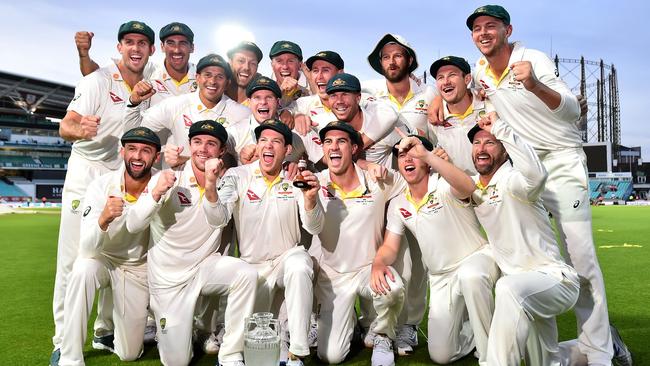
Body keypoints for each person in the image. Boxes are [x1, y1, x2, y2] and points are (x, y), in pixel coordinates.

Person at [466, 5, 631, 364]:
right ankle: (547, 350)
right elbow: (478, 101)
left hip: (560, 162)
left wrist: (534, 84)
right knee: (531, 262)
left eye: (490, 26)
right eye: (476, 28)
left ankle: (600, 349)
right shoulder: (480, 70)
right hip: (523, 167)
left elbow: (572, 110)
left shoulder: (532, 59)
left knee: (581, 258)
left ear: (508, 30)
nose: (483, 33)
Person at [52, 20, 155, 363]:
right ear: (120, 47)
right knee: (75, 259)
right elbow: (67, 124)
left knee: (119, 251)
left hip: (124, 175)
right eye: (129, 42)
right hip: (86, 175)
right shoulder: (97, 81)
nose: (136, 48)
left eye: (142, 43)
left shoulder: (148, 79)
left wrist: (84, 55)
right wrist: (79, 130)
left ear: (150, 50)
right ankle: (62, 342)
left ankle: (104, 329)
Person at [125, 120, 258, 366]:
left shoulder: (226, 182)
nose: (203, 149)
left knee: (246, 274)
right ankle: (181, 327)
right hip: (168, 281)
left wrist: (210, 184)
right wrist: (155, 195)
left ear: (221, 152)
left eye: (211, 144)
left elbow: (218, 219)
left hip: (204, 268)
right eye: (197, 142)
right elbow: (133, 224)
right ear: (189, 145)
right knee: (177, 361)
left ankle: (230, 355)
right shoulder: (167, 179)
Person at [204, 119, 324, 366]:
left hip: (285, 260)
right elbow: (219, 219)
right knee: (258, 354)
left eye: (276, 141)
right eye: (263, 140)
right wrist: (210, 186)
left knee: (300, 263)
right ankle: (233, 354)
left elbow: (314, 227)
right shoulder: (237, 176)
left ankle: (297, 353)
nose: (268, 146)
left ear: (287, 150)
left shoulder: (297, 179)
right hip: (252, 270)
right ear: (257, 146)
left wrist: (311, 200)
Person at [372, 133, 498, 365]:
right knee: (441, 355)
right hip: (441, 278)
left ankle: (491, 354)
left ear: (428, 161)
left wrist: (429, 155)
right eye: (402, 155)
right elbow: (390, 245)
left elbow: (468, 186)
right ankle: (475, 329)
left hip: (477, 260)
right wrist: (378, 263)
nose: (408, 158)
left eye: (414, 153)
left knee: (471, 277)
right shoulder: (399, 203)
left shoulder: (444, 185)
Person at [468, 112, 581, 364]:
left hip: (554, 280)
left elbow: (537, 176)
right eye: (476, 143)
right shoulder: (474, 186)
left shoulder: (514, 182)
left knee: (507, 287)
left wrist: (503, 129)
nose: (481, 148)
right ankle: (603, 343)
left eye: (490, 142)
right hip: (525, 293)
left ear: (505, 151)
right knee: (548, 362)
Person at [55, 127, 160, 366]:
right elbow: (88, 249)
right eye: (132, 149)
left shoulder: (161, 187)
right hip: (103, 259)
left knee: (129, 354)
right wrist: (103, 219)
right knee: (83, 269)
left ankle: (112, 334)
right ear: (122, 151)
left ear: (156, 157)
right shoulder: (100, 186)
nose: (137, 156)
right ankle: (69, 356)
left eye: (146, 151)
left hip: (137, 268)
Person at [313, 121, 406, 366]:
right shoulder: (316, 182)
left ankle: (384, 334)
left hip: (369, 269)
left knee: (393, 287)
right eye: (328, 142)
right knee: (330, 357)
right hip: (333, 277)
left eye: (341, 141)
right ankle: (351, 323)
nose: (334, 147)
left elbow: (409, 183)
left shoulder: (377, 179)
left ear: (354, 148)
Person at [126, 53, 251, 167]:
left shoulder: (243, 113)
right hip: (180, 188)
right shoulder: (175, 105)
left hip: (221, 188)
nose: (212, 81)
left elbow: (248, 160)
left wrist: (186, 160)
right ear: (197, 77)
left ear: (227, 82)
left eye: (219, 77)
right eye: (207, 75)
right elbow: (134, 134)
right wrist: (133, 103)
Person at [75, 22, 197, 105]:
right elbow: (93, 74)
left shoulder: (203, 76)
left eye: (183, 43)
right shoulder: (150, 70)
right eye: (170, 43)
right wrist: (84, 55)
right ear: (161, 47)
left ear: (192, 48)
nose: (176, 49)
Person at [227, 76, 323, 165]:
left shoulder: (298, 127)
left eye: (269, 97)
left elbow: (327, 160)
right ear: (249, 102)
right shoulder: (236, 131)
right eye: (257, 97)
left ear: (277, 102)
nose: (263, 102)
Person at [363, 33, 437, 142]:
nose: (392, 62)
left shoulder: (430, 93)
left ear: (410, 60)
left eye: (398, 56)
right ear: (381, 62)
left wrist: (439, 99)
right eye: (386, 57)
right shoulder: (367, 93)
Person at [429, 56, 484, 175]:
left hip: (494, 189)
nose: (446, 81)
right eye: (440, 77)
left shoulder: (488, 105)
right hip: (457, 190)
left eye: (452, 75)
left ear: (467, 79)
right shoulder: (434, 119)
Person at [268, 40, 311, 107]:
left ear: (300, 65)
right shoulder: (264, 89)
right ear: (272, 65)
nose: (285, 66)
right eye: (279, 61)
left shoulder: (313, 89)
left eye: (290, 61)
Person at [225, 41, 263, 105]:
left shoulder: (260, 104)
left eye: (252, 63)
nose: (246, 67)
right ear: (230, 62)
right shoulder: (214, 96)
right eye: (241, 61)